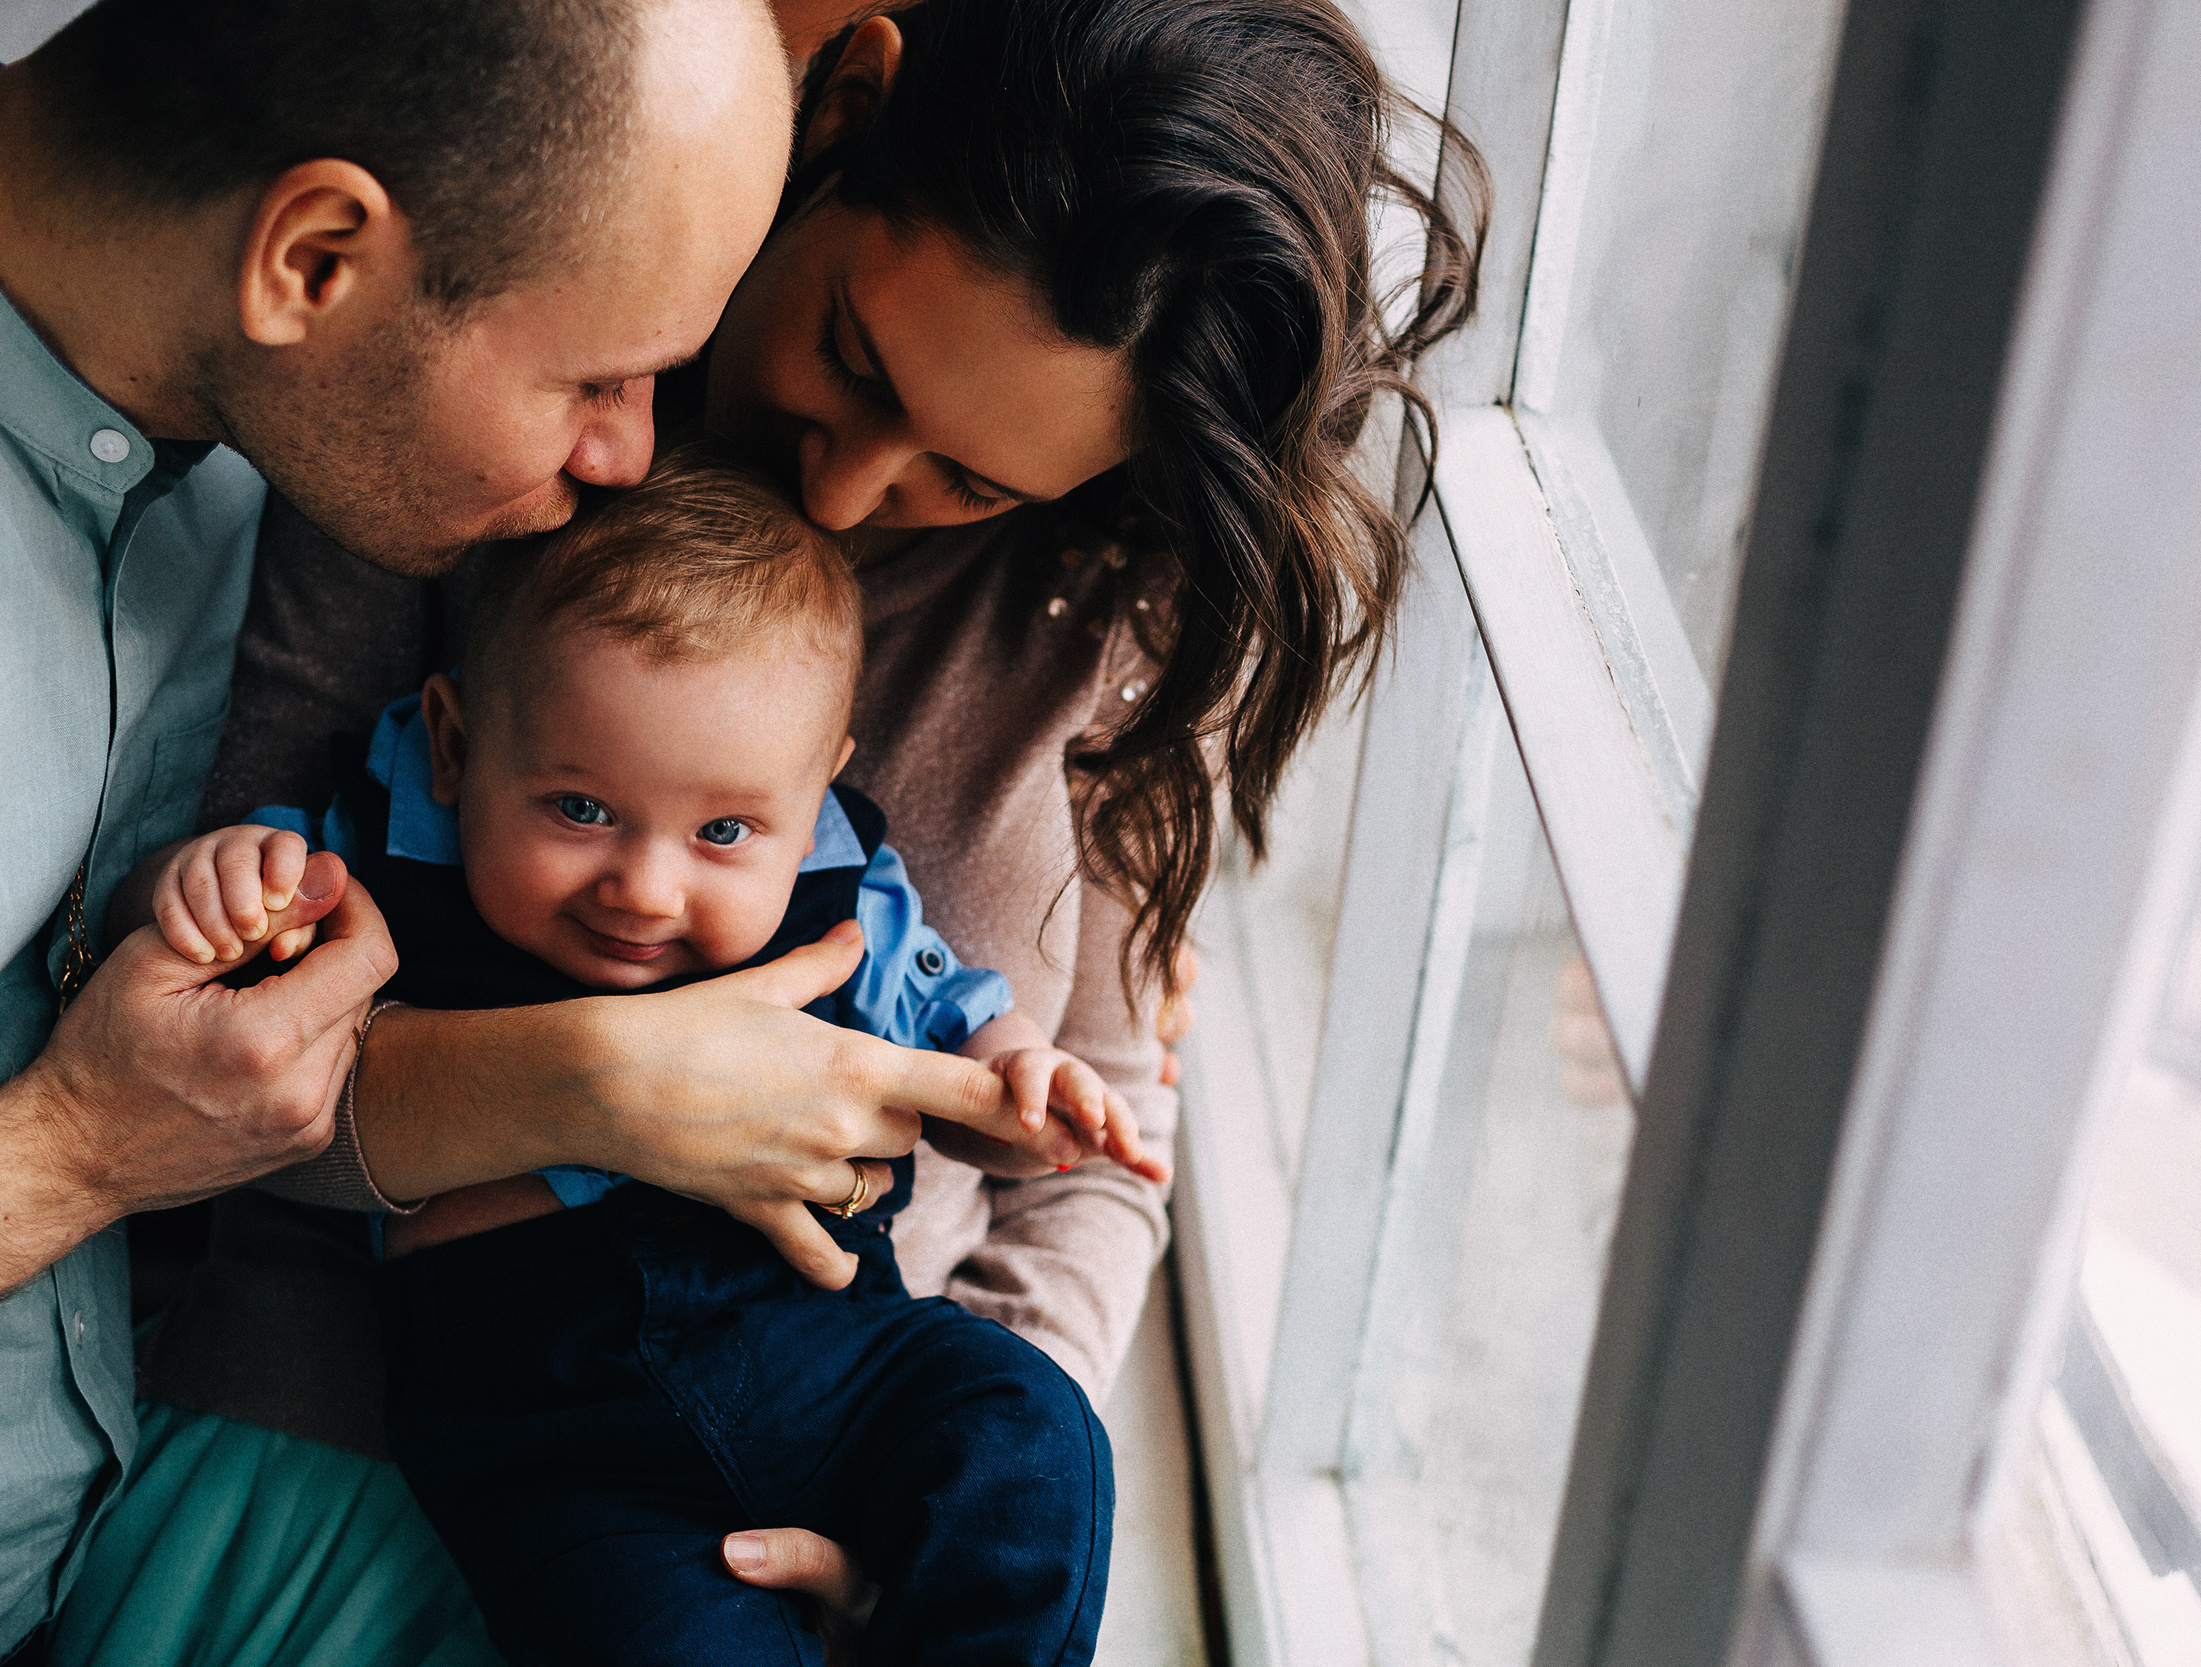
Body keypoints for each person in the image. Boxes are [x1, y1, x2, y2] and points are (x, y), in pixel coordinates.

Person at [116, 0, 1484, 1651]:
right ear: (847, 109)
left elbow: (1098, 1145)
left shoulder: (1103, 611)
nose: (839, 496)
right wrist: (599, 1082)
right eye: (853, 356)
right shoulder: (494, 382)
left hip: (850, 1429)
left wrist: (933, 1531)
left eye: (974, 482)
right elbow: (184, 1046)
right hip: (358, 1437)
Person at [0, 0, 874, 1661]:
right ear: (314, 259)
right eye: (597, 378)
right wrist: (81, 1145)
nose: (629, 454)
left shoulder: (241, 431)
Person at [150, 451, 1161, 1664]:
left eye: (724, 830)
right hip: (548, 1432)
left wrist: (1023, 1079)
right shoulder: (388, 835)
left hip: (828, 1358)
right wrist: (231, 874)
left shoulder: (845, 890)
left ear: (817, 794)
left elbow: (960, 1027)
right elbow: (242, 963)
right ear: (455, 742)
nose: (645, 887)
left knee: (1032, 1428)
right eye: (580, 809)